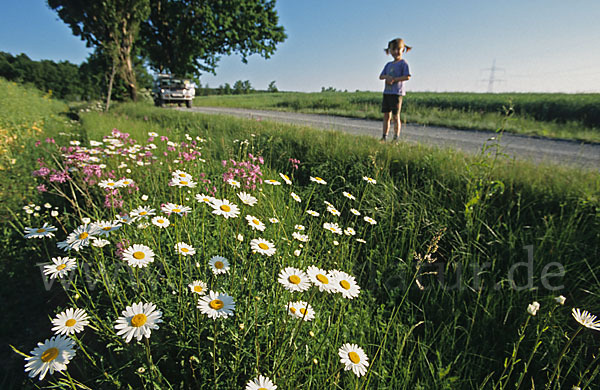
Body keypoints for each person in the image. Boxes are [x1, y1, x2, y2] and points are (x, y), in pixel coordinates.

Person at [379, 38, 411, 142]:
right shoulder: (388, 65)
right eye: (393, 49)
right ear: (389, 51)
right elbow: (381, 76)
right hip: (387, 93)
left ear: (403, 49)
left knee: (396, 116)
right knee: (386, 116)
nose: (396, 52)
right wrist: (386, 77)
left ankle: (396, 138)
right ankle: (384, 136)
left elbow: (407, 76)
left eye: (398, 49)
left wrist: (395, 79)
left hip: (397, 93)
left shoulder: (403, 63)